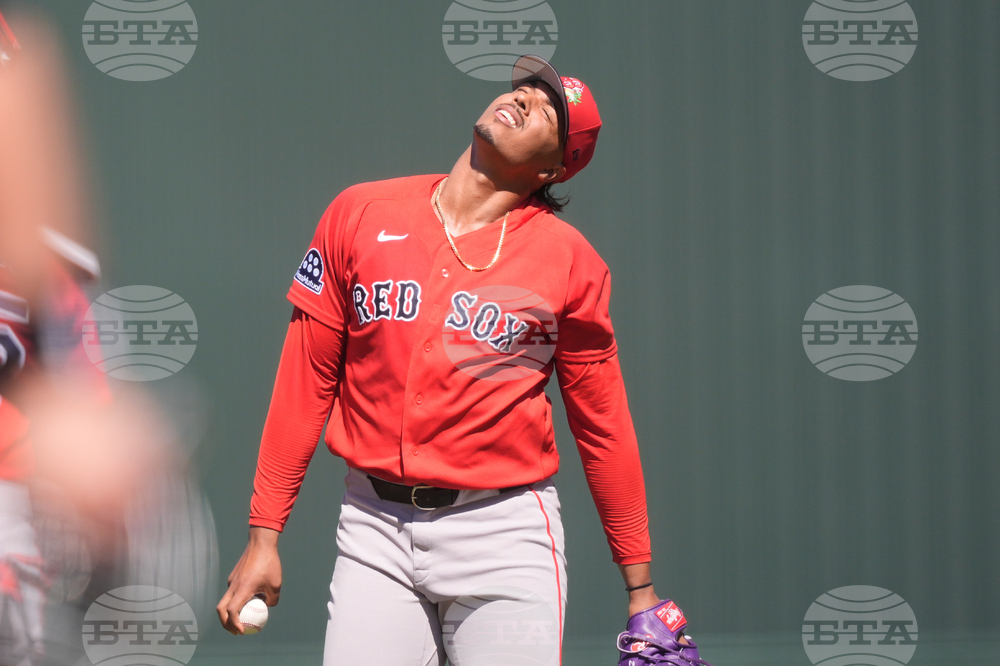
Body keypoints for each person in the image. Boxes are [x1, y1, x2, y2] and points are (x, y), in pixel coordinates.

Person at [217, 55, 708, 665]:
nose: (525, 99)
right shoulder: (361, 212)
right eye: (526, 90)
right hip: (373, 529)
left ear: (554, 168)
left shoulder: (570, 262)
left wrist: (640, 586)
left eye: (548, 111)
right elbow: (307, 378)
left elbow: (602, 426)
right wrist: (264, 533)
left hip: (503, 534)